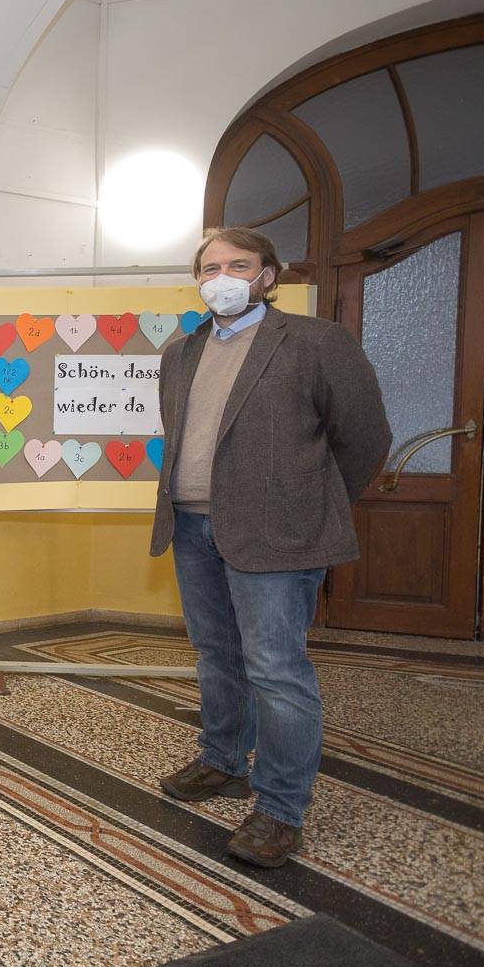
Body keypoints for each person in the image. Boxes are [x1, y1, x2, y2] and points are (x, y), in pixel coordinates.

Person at [150, 226, 389, 867]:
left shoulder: (315, 343)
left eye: (237, 265)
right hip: (194, 528)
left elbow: (364, 437)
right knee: (215, 657)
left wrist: (309, 505)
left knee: (277, 671)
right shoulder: (181, 351)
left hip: (279, 535)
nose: (221, 277)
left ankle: (281, 809)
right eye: (208, 267)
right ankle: (222, 760)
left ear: (266, 275)